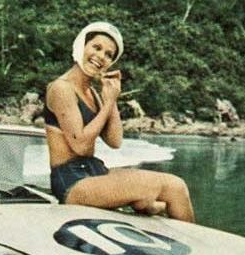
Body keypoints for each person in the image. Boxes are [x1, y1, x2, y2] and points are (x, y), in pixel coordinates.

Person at [44, 22, 195, 222]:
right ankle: (146, 204)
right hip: (72, 182)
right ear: (81, 45)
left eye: (109, 55)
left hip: (95, 171)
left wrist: (111, 96)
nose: (101, 56)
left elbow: (115, 141)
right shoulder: (61, 88)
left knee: (176, 188)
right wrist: (108, 103)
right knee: (167, 187)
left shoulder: (93, 93)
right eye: (96, 47)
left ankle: (183, 232)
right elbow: (80, 145)